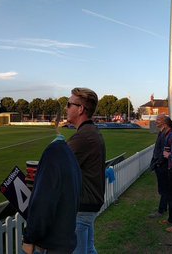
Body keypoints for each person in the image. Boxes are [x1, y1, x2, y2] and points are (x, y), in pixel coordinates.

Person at [22, 133, 83, 254]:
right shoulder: (68, 154)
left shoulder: (52, 154)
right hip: (65, 241)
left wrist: (29, 238)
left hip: (50, 246)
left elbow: (43, 204)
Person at [63, 87, 106, 254]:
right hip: (89, 204)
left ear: (80, 109)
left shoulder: (83, 137)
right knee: (88, 249)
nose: (66, 108)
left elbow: (58, 168)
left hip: (82, 207)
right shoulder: (90, 132)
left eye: (69, 104)